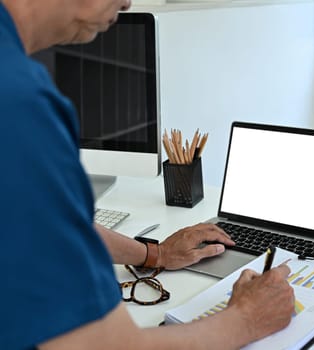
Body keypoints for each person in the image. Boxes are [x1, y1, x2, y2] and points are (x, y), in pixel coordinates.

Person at [0, 0, 295, 349]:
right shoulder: (17, 102)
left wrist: (155, 255)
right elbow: (102, 346)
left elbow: (45, 224)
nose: (127, 2)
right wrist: (246, 319)